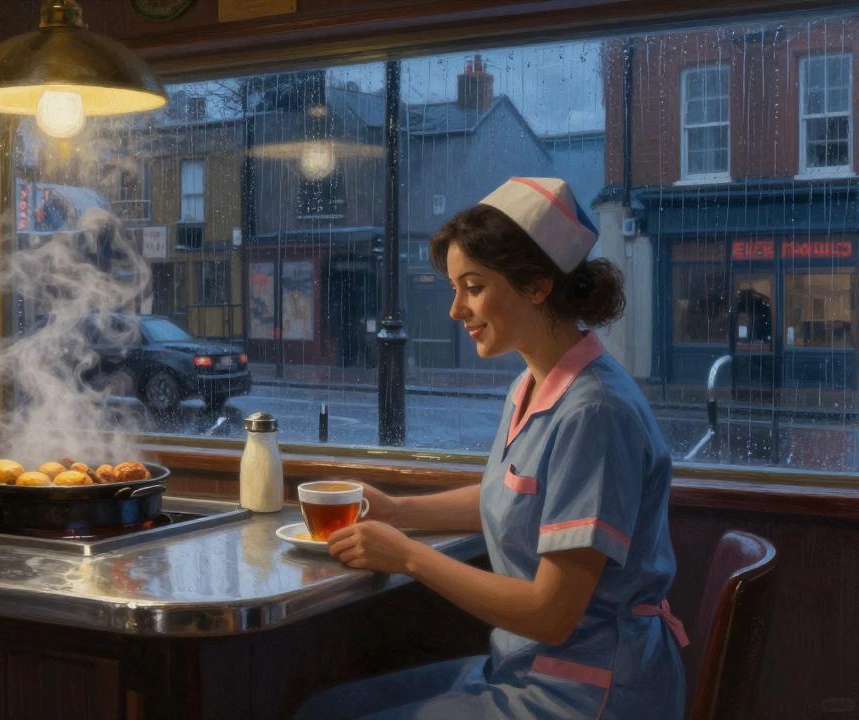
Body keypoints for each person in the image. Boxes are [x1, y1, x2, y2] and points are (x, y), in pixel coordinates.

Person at [292, 178, 688, 719]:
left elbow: (551, 615)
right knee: (324, 708)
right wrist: (396, 511)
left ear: (536, 285)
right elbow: (510, 493)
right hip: (522, 668)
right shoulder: (533, 383)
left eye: (472, 287)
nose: (456, 310)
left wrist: (408, 556)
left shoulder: (595, 412)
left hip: (587, 691)